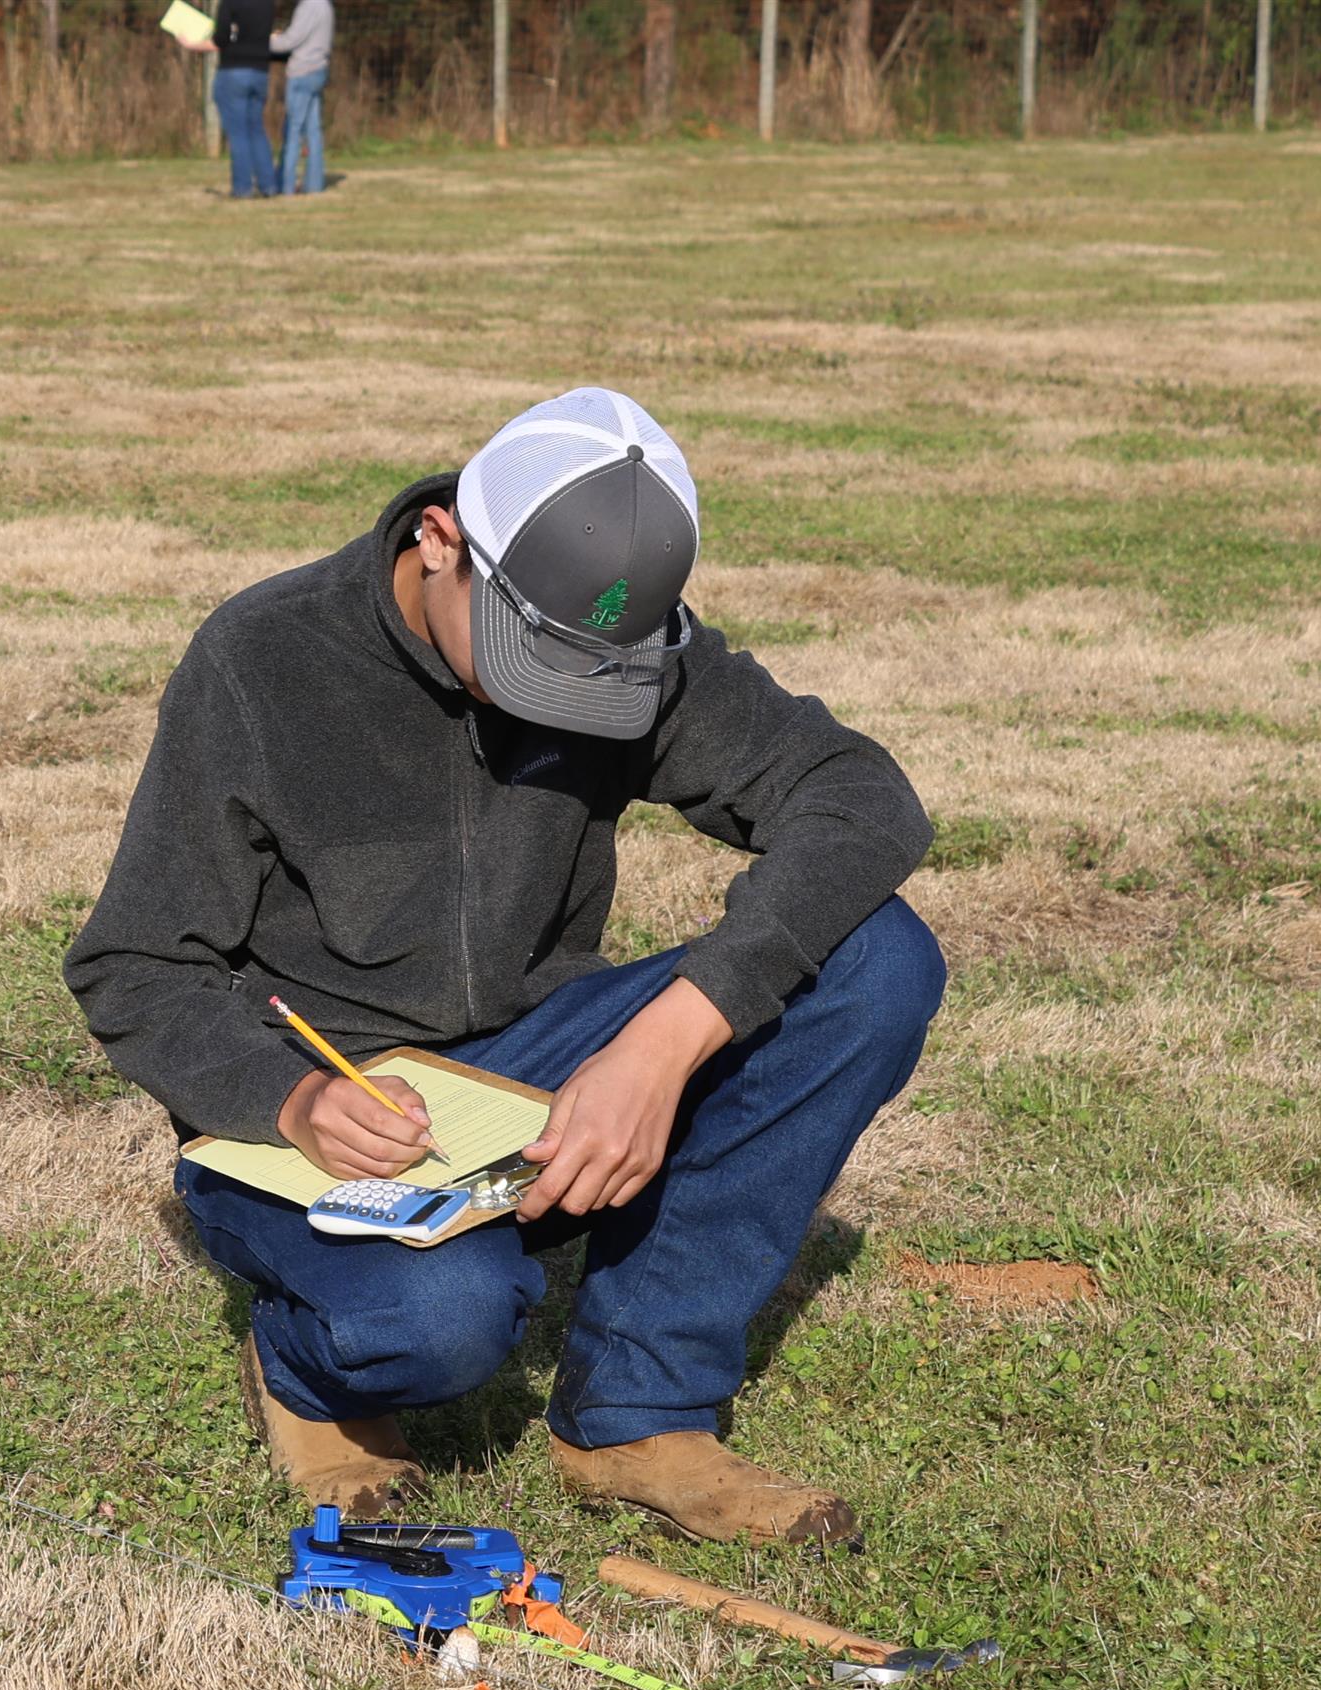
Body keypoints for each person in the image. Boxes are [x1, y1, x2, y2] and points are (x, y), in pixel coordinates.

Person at [63, 389, 943, 1547]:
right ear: (441, 540)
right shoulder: (260, 659)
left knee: (877, 959)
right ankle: (302, 1372)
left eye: (596, 672)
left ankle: (638, 1411)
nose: (566, 698)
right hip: (320, 1109)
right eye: (535, 658)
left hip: (527, 1067)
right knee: (442, 1320)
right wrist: (294, 1097)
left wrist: (661, 1047)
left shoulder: (627, 646)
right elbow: (133, 965)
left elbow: (858, 799)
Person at [192, 0, 282, 200]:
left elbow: (221, 39)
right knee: (256, 129)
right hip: (260, 71)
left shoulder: (230, 3)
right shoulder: (267, 4)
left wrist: (192, 43)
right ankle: (268, 185)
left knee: (238, 132)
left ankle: (243, 187)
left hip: (233, 70)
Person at [271, 0, 333, 195]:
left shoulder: (308, 6)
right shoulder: (325, 5)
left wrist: (265, 40)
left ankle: (286, 185)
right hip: (318, 70)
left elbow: (291, 41)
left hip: (302, 72)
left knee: (293, 129)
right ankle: (314, 184)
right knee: (313, 130)